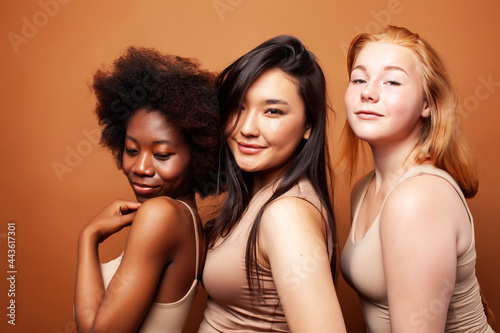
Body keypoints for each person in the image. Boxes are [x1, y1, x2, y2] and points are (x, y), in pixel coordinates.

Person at [340, 25, 494, 332]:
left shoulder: (418, 198)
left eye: (392, 81)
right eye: (359, 78)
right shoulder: (363, 189)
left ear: (427, 105)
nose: (368, 92)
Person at [199, 35, 347, 332]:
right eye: (239, 108)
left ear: (309, 126)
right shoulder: (259, 195)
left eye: (273, 111)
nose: (247, 128)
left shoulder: (286, 216)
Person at [74, 47, 219, 333]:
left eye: (162, 154)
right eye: (131, 149)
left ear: (201, 155)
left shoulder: (161, 215)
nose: (140, 167)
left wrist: (88, 239)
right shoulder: (186, 218)